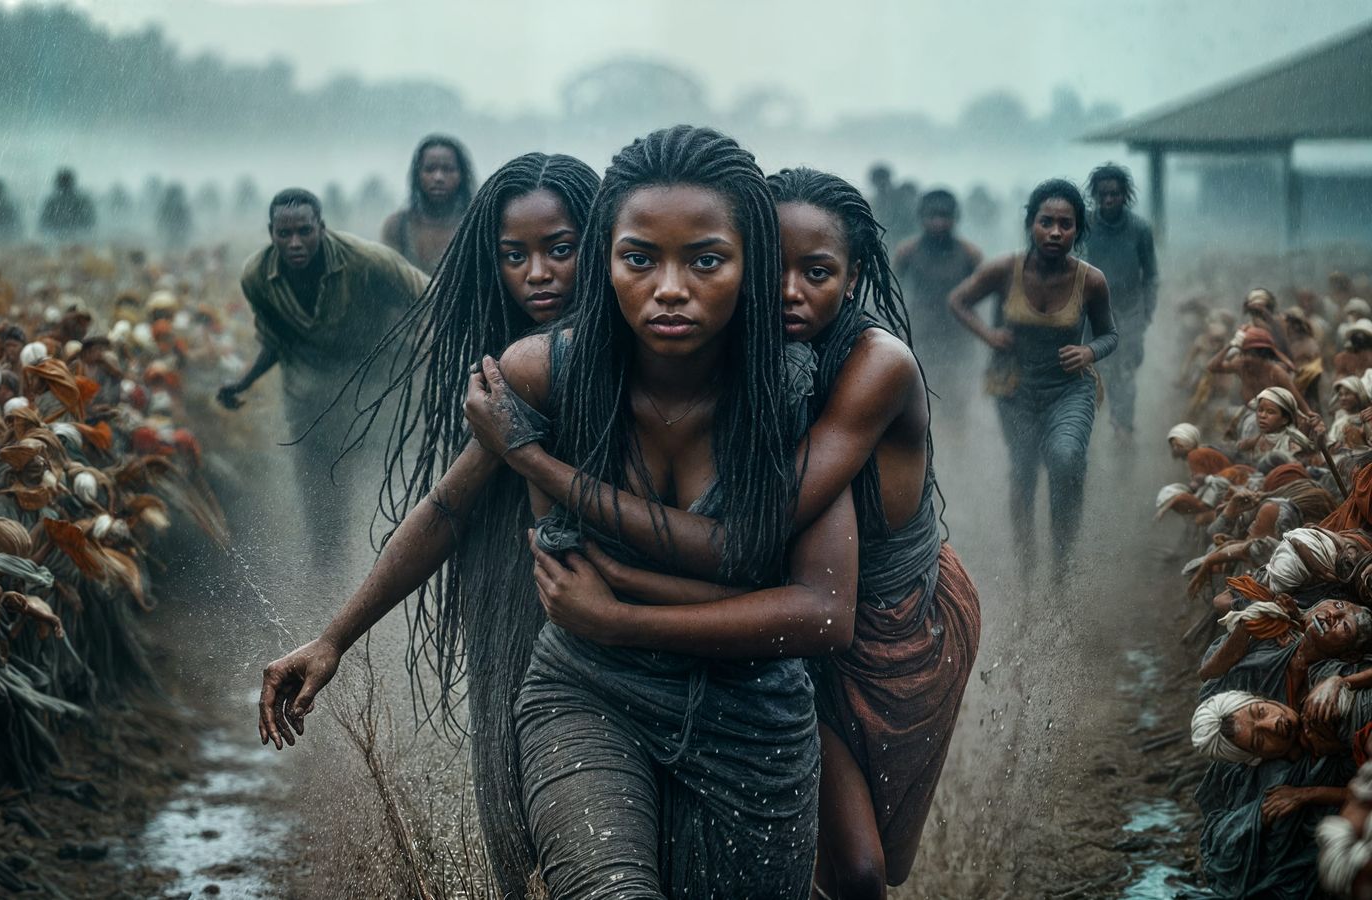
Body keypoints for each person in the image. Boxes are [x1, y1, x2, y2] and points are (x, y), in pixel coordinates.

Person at [465, 166, 982, 895]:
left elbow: (741, 544)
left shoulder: (869, 367)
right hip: (785, 613)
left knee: (866, 869)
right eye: (774, 267)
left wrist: (539, 473)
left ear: (857, 274)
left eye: (819, 272)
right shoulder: (751, 358)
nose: (789, 292)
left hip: (890, 624)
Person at [254, 154, 599, 898]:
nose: (537, 272)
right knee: (517, 814)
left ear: (598, 244)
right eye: (514, 256)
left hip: (619, 617)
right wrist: (334, 637)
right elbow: (447, 508)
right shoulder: (511, 368)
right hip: (514, 597)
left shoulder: (640, 350)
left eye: (560, 249)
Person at [218, 188, 427, 567]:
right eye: (285, 234)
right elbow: (275, 340)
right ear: (271, 233)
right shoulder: (257, 277)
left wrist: (427, 343)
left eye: (304, 231)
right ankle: (328, 573)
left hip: (373, 383)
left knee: (383, 478)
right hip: (309, 395)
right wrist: (243, 382)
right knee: (320, 491)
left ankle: (393, 564)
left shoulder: (366, 260)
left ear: (322, 228)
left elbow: (429, 296)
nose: (295, 243)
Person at [949, 179, 1117, 577]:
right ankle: (1027, 565)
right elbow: (958, 301)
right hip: (1015, 389)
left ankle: (1062, 561)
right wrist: (989, 335)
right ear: (1030, 224)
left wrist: (1089, 351)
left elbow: (1110, 334)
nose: (1056, 232)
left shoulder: (1090, 280)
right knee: (1023, 473)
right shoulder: (1005, 269)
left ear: (1078, 230)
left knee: (1064, 457)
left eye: (1066, 224)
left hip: (1069, 388)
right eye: (1046, 222)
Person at [1083, 163, 1158, 443]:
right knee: (1090, 373)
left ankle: (1123, 429)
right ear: (1096, 195)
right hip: (1091, 312)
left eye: (1114, 194)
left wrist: (1147, 312)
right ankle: (1087, 431)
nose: (1109, 199)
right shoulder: (1085, 226)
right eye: (1103, 194)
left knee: (1124, 373)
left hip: (1129, 312)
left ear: (1124, 195)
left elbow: (1150, 275)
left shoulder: (1139, 229)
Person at [893, 188, 983, 390]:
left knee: (959, 387)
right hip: (921, 327)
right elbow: (893, 291)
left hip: (958, 329)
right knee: (922, 384)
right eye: (932, 216)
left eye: (945, 216)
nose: (939, 223)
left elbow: (980, 294)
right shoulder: (907, 252)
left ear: (955, 218)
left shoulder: (970, 255)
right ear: (921, 217)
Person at [381, 135, 475, 274]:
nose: (438, 177)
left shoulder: (475, 225)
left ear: (461, 175)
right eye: (430, 169)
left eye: (448, 169)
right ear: (417, 175)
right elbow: (387, 279)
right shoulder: (398, 227)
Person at [39, 168, 96, 239]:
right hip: (79, 240)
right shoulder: (82, 201)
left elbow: (42, 226)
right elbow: (91, 225)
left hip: (57, 241)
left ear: (57, 184)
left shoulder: (51, 203)